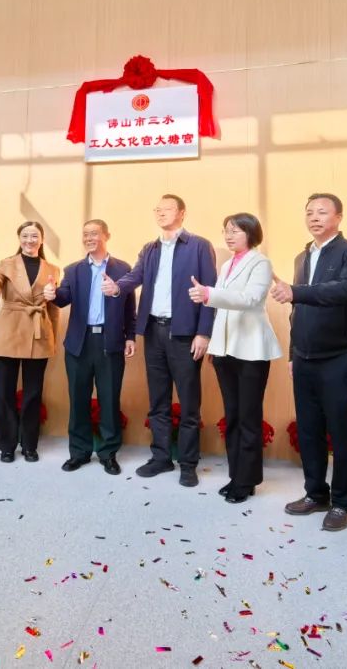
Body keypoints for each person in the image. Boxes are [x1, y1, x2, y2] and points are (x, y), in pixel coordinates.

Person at [270, 193, 347, 532]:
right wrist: (294, 353)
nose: (314, 217)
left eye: (322, 212)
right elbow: (298, 311)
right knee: (309, 430)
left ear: (339, 217)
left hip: (339, 356)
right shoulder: (302, 256)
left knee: (340, 431)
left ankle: (343, 503)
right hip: (305, 358)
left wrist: (295, 292)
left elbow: (346, 291)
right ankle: (316, 494)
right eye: (309, 212)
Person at [104, 194, 217, 488]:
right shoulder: (150, 248)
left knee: (189, 403)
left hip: (184, 334)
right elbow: (135, 276)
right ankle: (161, 457)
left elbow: (210, 290)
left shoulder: (199, 246)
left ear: (182, 212)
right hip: (154, 330)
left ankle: (188, 464)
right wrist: (117, 288)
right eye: (157, 209)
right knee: (158, 400)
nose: (161, 213)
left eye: (167, 209)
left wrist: (204, 332)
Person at [188, 213, 282, 503]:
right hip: (226, 350)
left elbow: (250, 299)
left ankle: (247, 481)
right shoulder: (227, 264)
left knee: (248, 417)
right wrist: (215, 346)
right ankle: (236, 475)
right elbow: (222, 310)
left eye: (235, 231)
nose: (228, 236)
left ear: (251, 233)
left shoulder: (261, 262)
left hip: (252, 350)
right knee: (232, 416)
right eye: (226, 231)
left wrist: (209, 293)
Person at [54, 220, 136, 476]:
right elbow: (63, 298)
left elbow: (129, 307)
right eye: (85, 234)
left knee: (109, 400)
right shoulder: (73, 270)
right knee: (78, 399)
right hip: (79, 343)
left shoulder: (123, 268)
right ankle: (78, 452)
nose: (89, 238)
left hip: (110, 343)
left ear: (106, 236)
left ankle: (108, 454)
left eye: (94, 234)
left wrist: (130, 337)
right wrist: (52, 293)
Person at [0, 221, 60, 463]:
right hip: (9, 331)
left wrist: (52, 336)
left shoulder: (53, 269)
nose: (29, 240)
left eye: (34, 236)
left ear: (42, 239)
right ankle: (7, 445)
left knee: (33, 393)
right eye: (25, 235)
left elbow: (53, 308)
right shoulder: (7, 263)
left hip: (39, 332)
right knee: (4, 392)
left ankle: (29, 445)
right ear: (19, 238)